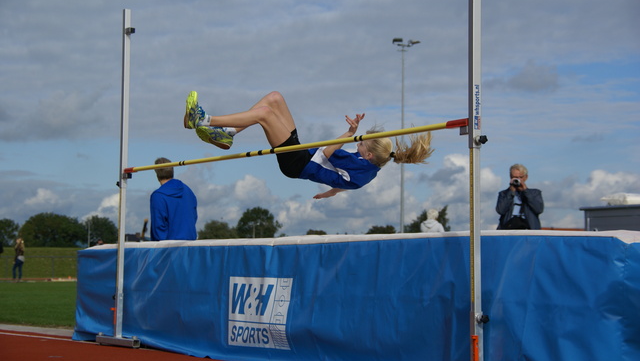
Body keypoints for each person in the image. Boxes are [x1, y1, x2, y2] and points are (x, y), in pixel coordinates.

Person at [183, 91, 434, 199]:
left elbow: (326, 152)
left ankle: (204, 119)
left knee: (265, 114)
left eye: (360, 144)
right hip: (302, 154)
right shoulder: (366, 168)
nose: (357, 145)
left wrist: (348, 133)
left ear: (368, 155)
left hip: (299, 163)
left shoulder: (364, 170)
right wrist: (330, 192)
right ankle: (227, 134)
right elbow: (346, 184)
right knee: (275, 99)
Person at [150, 157, 198, 241]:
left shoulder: (158, 196)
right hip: (190, 246)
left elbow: (158, 227)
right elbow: (194, 217)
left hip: (170, 249)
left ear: (156, 173)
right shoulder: (188, 191)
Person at [496, 163, 544, 230]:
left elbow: (539, 209)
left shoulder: (535, 193)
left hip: (528, 229)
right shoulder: (503, 194)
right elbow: (501, 210)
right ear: (511, 177)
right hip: (508, 228)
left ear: (526, 177)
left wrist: (525, 191)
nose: (518, 180)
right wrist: (511, 192)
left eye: (520, 177)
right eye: (515, 177)